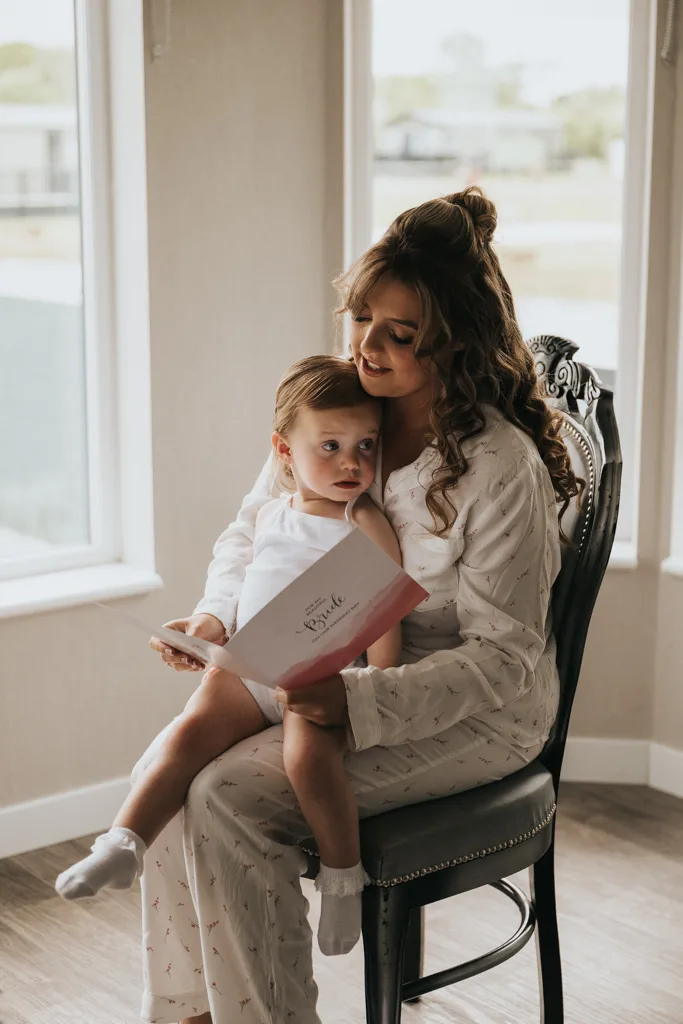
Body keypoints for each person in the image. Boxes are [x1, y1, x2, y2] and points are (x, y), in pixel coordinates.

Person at [134, 185, 581, 1024]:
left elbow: (505, 660)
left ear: (452, 343)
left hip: (477, 715)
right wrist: (213, 617)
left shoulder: (499, 468)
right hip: (318, 673)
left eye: (399, 334)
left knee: (227, 798)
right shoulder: (339, 411)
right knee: (163, 776)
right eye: (360, 319)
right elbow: (249, 528)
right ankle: (195, 1014)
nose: (367, 345)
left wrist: (353, 701)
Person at [55, 355, 404, 956]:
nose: (352, 462)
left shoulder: (362, 518)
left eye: (366, 444)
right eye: (331, 445)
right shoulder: (272, 513)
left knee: (307, 763)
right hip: (254, 666)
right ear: (284, 452)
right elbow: (245, 581)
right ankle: (123, 843)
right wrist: (211, 628)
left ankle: (344, 880)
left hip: (322, 679)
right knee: (189, 731)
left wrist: (376, 680)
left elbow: (386, 605)